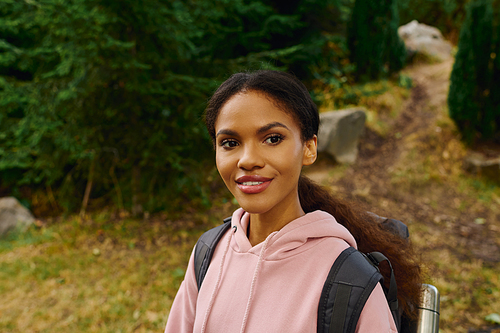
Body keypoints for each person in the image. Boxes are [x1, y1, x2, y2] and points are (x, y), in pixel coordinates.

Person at [165, 70, 422, 333]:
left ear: (309, 148)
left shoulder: (349, 280)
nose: (247, 159)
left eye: (272, 139)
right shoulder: (208, 252)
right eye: (230, 143)